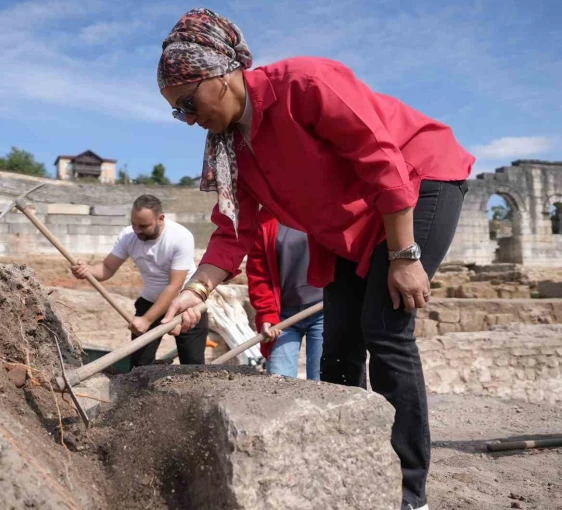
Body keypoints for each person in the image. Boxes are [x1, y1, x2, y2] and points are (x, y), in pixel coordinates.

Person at [156, 8, 473, 510]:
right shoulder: (234, 149)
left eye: (188, 103)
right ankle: (349, 462)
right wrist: (195, 293)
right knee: (339, 346)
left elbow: (381, 160)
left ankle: (408, 493)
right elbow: (232, 233)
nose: (190, 120)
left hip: (417, 182)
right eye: (179, 113)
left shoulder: (304, 84)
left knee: (385, 330)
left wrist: (404, 255)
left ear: (220, 74)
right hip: (349, 224)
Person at [70, 194, 208, 368]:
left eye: (143, 226)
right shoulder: (128, 236)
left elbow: (175, 285)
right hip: (149, 303)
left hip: (186, 305)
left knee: (193, 365)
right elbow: (107, 268)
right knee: (139, 366)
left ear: (161, 219)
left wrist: (146, 320)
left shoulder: (180, 237)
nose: (137, 230)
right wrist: (86, 270)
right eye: (134, 224)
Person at [247, 208, 323, 379]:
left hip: (323, 310)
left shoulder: (324, 208)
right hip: (283, 316)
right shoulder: (266, 220)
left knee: (323, 381)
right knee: (278, 382)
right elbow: (259, 274)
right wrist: (267, 313)